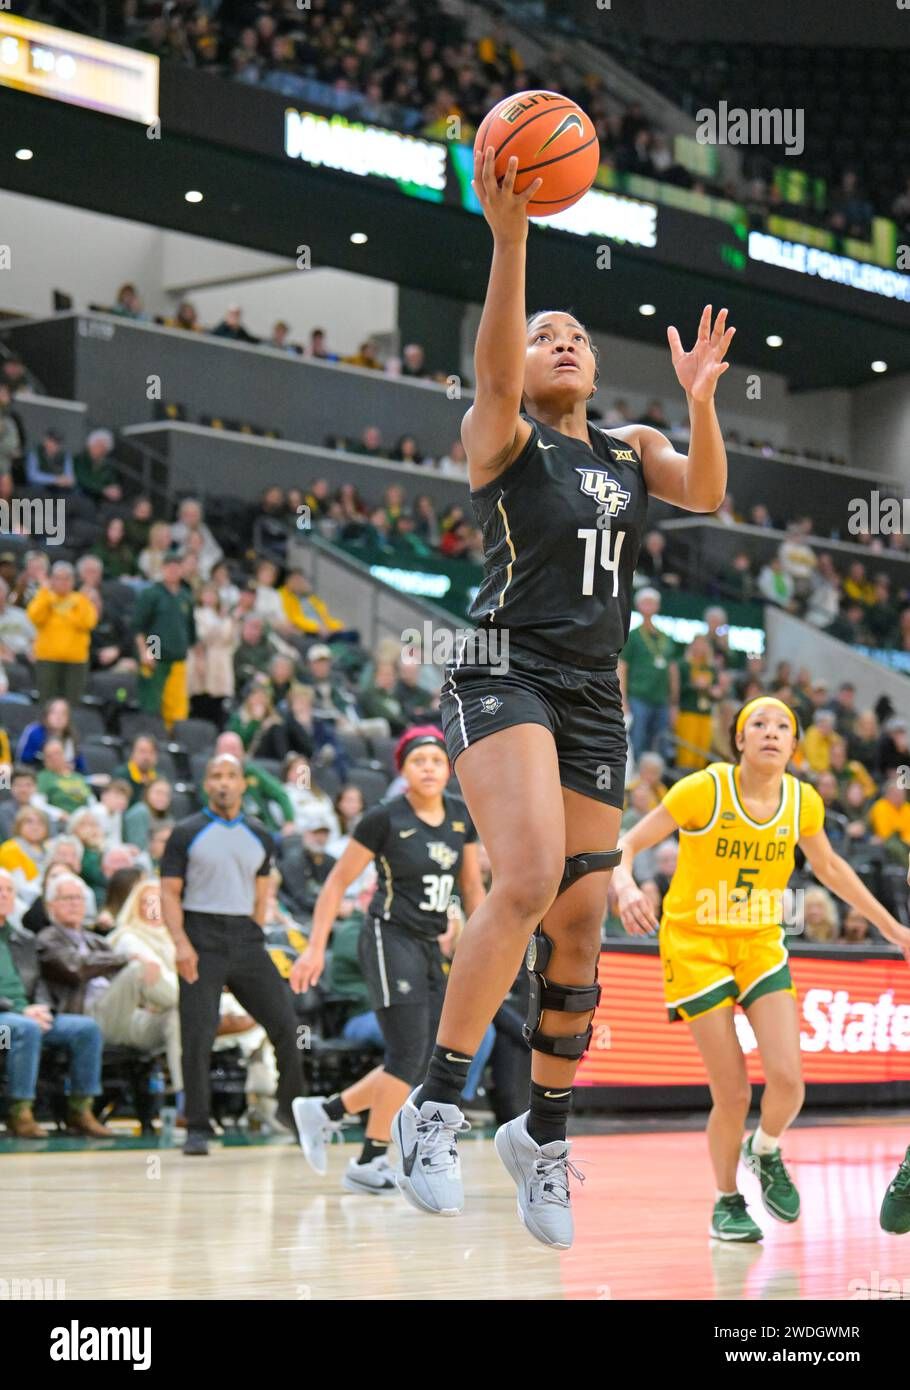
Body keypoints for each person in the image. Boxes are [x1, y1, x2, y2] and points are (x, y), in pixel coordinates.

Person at [386, 144, 732, 1249]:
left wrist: (698, 402)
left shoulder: (630, 449)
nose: (563, 339)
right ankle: (432, 1103)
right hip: (503, 665)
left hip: (593, 692)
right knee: (529, 876)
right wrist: (510, 240)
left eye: (576, 333)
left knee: (580, 925)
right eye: (546, 334)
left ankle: (541, 1132)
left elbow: (712, 492)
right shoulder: (504, 436)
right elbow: (493, 370)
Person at [612, 697, 910, 1242]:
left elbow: (831, 868)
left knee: (790, 1083)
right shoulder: (705, 788)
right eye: (759, 724)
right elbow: (626, 843)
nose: (771, 732)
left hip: (759, 943)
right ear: (739, 739)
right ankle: (726, 1201)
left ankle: (765, 1149)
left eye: (783, 726)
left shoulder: (802, 802)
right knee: (732, 1094)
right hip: (695, 942)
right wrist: (626, 882)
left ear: (795, 746)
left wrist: (893, 929)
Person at [290, 727, 484, 1195]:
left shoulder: (461, 817)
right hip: (387, 936)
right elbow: (335, 884)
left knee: (422, 1059)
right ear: (403, 770)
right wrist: (314, 947)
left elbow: (474, 890)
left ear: (449, 768)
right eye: (419, 762)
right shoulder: (384, 819)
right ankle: (364, 1151)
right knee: (407, 1053)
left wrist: (483, 949)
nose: (429, 769)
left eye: (437, 761)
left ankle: (333, 1118)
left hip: (430, 944)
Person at [160, 754, 305, 1155]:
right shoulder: (185, 832)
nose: (224, 783)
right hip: (200, 934)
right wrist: (181, 943)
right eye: (216, 776)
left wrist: (255, 930)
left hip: (245, 937)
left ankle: (290, 1113)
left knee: (288, 1027)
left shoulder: (261, 834)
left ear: (243, 784)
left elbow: (262, 891)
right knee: (197, 1034)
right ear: (207, 785)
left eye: (231, 776)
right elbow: (168, 892)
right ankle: (198, 1126)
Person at [0, 869, 112, 1139]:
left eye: (8, 891)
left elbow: (39, 982)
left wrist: (42, 1009)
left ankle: (81, 1109)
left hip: (26, 1013)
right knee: (24, 1029)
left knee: (86, 1029)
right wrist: (18, 1010)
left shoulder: (23, 938)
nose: (4, 895)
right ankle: (20, 1112)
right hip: (7, 1019)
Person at [105, 878, 182, 1110]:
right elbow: (144, 966)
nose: (154, 908)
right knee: (185, 1008)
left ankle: (263, 1101)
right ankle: (185, 1101)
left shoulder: (176, 939)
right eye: (147, 902)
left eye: (160, 902)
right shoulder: (125, 937)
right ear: (134, 905)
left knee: (178, 1018)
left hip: (168, 1013)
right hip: (131, 1019)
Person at [133, 550, 196, 728]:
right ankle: (150, 737)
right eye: (169, 567)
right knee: (152, 703)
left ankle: (173, 741)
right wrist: (147, 652)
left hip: (178, 657)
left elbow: (190, 631)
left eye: (177, 567)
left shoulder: (186, 596)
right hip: (157, 652)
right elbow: (140, 626)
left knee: (178, 708)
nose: (173, 571)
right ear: (163, 569)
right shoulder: (152, 594)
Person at [27, 561, 97, 705]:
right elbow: (34, 616)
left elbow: (89, 622)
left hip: (76, 660)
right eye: (58, 578)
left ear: (73, 581)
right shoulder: (45, 597)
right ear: (51, 580)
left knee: (74, 704)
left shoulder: (81, 599)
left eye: (66, 578)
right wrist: (45, 593)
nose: (62, 582)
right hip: (47, 658)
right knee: (46, 702)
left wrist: (75, 607)